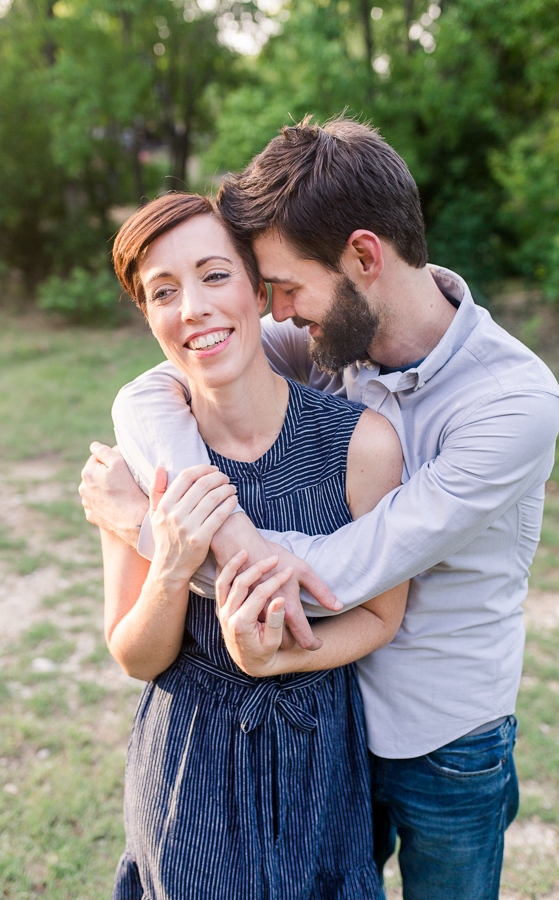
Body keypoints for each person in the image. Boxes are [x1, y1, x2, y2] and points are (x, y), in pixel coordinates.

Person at [82, 116, 559, 899]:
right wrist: (205, 525)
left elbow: (341, 569)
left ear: (364, 257)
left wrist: (146, 525)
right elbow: (149, 394)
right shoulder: (325, 336)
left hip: (443, 734)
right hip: (329, 725)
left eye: (287, 287)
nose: (278, 310)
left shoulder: (512, 403)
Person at [100, 191, 407, 899]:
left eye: (214, 275)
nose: (194, 309)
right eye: (164, 293)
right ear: (149, 316)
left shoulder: (362, 445)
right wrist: (172, 567)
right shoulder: (143, 455)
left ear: (259, 286)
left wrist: (278, 660)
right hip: (186, 763)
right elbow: (133, 653)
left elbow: (382, 618)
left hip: (317, 757)